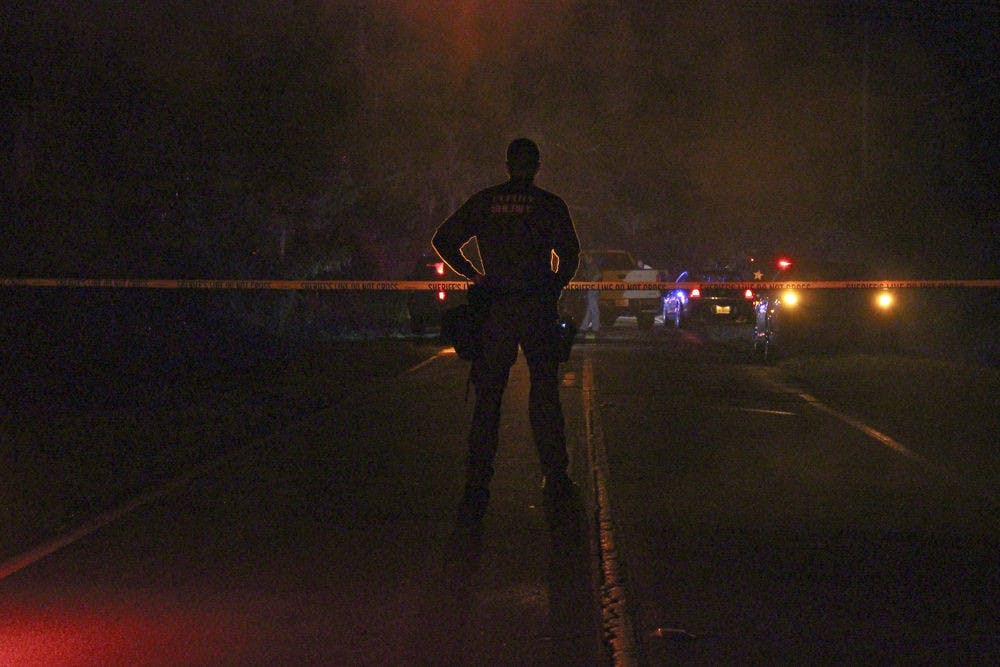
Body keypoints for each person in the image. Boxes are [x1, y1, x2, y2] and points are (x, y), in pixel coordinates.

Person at [433, 138, 581, 521]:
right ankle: (556, 474)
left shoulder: (486, 202)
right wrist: (553, 285)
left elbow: (444, 240)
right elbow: (570, 254)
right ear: (536, 166)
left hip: (496, 308)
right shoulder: (549, 206)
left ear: (507, 165)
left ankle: (478, 479)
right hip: (536, 309)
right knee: (544, 392)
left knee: (489, 397)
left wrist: (473, 273)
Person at [578, 253, 602, 339]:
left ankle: (595, 328)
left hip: (593, 290)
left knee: (594, 309)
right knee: (590, 309)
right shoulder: (588, 266)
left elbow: (599, 274)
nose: (585, 260)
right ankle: (584, 327)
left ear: (590, 257)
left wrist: (592, 282)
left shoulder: (593, 265)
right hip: (591, 290)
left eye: (586, 258)